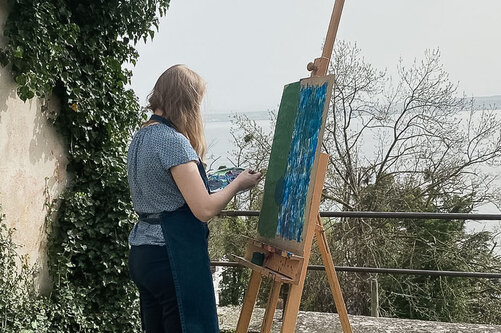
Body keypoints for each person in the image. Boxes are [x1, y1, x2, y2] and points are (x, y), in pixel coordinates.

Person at [127, 64, 262, 333]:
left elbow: (164, 190)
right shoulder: (171, 141)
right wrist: (237, 183)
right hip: (171, 254)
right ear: (186, 102)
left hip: (142, 252)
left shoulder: (140, 137)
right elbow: (204, 209)